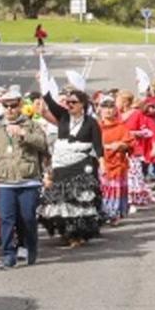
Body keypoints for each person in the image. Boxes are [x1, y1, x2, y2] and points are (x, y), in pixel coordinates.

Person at [0, 85, 49, 269]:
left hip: (28, 179)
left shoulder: (32, 125)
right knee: (7, 219)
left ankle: (29, 246)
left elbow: (43, 145)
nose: (10, 109)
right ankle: (9, 254)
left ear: (20, 105)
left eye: (14, 105)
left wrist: (24, 134)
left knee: (27, 218)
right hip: (5, 182)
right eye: (6, 106)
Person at [39, 86, 104, 248]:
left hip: (81, 166)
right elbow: (51, 104)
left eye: (73, 102)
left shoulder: (91, 122)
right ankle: (66, 233)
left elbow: (98, 146)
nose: (70, 105)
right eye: (68, 102)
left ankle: (79, 234)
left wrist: (103, 165)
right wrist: (44, 85)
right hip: (61, 166)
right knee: (61, 201)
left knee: (79, 201)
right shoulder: (63, 117)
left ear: (83, 104)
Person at [117, 90, 155, 209]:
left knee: (133, 176)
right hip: (118, 150)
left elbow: (147, 131)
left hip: (133, 150)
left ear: (124, 102)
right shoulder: (117, 115)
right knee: (122, 176)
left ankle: (132, 200)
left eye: (118, 101)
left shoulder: (137, 114)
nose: (116, 104)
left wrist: (132, 133)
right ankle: (124, 200)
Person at [97, 95, 135, 223]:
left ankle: (114, 214)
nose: (108, 110)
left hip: (118, 164)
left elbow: (130, 143)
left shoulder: (121, 127)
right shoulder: (96, 127)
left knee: (115, 189)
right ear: (100, 110)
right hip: (101, 162)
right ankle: (102, 213)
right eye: (105, 107)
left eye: (111, 107)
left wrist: (121, 145)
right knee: (102, 189)